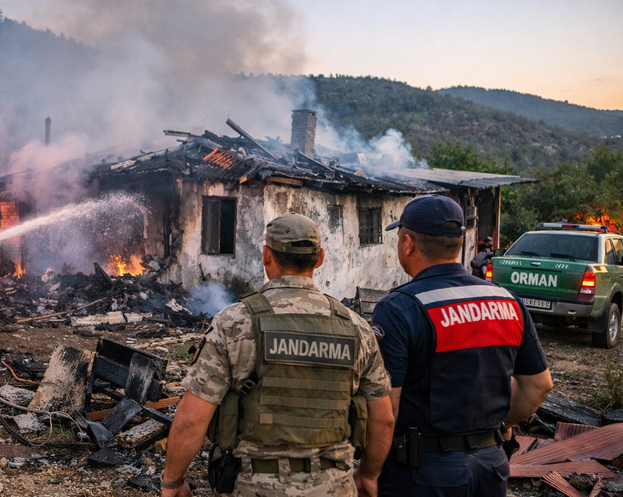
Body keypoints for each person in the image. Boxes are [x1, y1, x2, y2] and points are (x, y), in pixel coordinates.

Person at [161, 213, 395, 497]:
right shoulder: (357, 328)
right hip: (333, 486)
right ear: (319, 258)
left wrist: (173, 482)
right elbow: (383, 419)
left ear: (266, 256)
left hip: (252, 486)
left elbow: (190, 420)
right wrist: (369, 475)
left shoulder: (234, 322)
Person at [371, 195, 553, 497]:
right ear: (458, 244)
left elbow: (387, 407)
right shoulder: (508, 301)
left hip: (423, 473)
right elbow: (539, 385)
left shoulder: (399, 308)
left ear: (407, 243)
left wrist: (369, 470)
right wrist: (497, 424)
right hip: (492, 466)